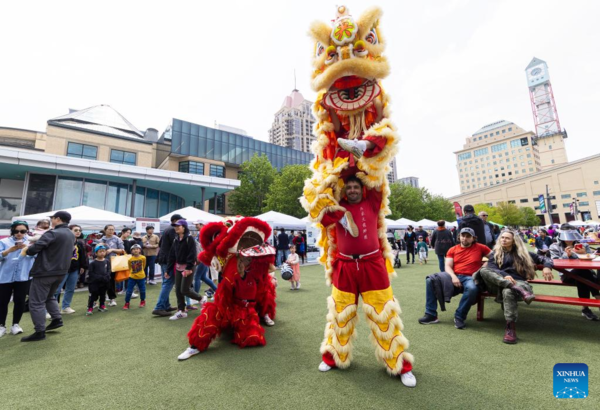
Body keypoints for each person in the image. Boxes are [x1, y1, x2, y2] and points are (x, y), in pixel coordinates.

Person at [316, 176, 415, 387]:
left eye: (355, 187)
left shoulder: (373, 201)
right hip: (344, 266)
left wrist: (354, 151)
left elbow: (374, 172)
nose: (352, 190)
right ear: (344, 190)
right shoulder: (337, 206)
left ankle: (399, 366)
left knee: (384, 316)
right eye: (348, 187)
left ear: (363, 189)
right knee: (339, 316)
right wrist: (338, 212)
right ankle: (333, 357)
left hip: (373, 264)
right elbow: (320, 217)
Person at [475, 229, 554, 344]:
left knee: (508, 292)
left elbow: (546, 258)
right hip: (499, 283)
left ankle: (510, 328)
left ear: (514, 241)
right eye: (502, 237)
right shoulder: (495, 253)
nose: (504, 240)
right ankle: (514, 288)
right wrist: (505, 275)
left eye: (507, 238)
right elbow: (492, 269)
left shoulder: (523, 253)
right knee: (483, 271)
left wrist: (547, 267)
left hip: (519, 282)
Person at [419, 228, 491, 329]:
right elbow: (447, 266)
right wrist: (453, 277)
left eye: (468, 236)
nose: (465, 238)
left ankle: (459, 317)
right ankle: (431, 315)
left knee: (472, 288)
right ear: (459, 237)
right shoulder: (453, 249)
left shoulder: (481, 247)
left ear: (473, 238)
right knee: (430, 279)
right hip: (453, 275)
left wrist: (484, 267)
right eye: (463, 236)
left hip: (471, 277)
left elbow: (495, 257)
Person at [21, 211, 76, 342]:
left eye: (52, 218)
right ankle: (56, 319)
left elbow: (34, 249)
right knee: (49, 297)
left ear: (58, 219)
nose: (51, 221)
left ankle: (39, 332)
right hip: (61, 272)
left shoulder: (53, 233)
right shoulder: (70, 234)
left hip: (45, 271)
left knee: (36, 302)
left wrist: (25, 249)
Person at [549, 225, 600, 321]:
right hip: (566, 275)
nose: (569, 238)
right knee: (583, 273)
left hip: (584, 274)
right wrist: (566, 255)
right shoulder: (554, 246)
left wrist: (583, 254)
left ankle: (585, 309)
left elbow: (592, 259)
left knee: (582, 276)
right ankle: (597, 297)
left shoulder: (583, 245)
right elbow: (555, 262)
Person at [0, 221, 35, 337]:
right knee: (2, 302)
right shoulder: (4, 242)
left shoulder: (31, 242)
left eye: (22, 231)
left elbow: (37, 256)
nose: (19, 234)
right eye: (16, 231)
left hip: (23, 276)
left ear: (27, 231)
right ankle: (1, 326)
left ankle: (15, 324)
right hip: (5, 277)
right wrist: (9, 250)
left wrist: (27, 249)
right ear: (12, 231)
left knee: (19, 301)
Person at [168, 220, 202, 321]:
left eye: (178, 226)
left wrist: (188, 268)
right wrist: (168, 269)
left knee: (184, 289)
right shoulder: (176, 239)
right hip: (179, 267)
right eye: (175, 226)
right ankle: (181, 311)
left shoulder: (189, 238)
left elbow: (192, 254)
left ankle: (201, 298)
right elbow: (172, 255)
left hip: (189, 267)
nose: (176, 228)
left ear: (184, 227)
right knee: (178, 290)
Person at [53, 225, 88, 314]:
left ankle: (66, 307)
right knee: (56, 289)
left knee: (70, 289)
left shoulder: (79, 243)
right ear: (69, 231)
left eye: (79, 230)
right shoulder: (63, 242)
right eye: (75, 230)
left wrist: (82, 266)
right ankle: (50, 309)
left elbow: (82, 256)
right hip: (62, 268)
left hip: (74, 268)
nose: (78, 232)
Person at [152, 214, 183, 317]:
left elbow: (160, 244)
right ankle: (159, 307)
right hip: (168, 260)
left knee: (166, 282)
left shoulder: (167, 229)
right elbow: (176, 246)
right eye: (180, 220)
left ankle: (166, 305)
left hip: (163, 258)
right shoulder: (173, 230)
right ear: (174, 221)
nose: (181, 223)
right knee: (168, 282)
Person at [99, 225, 125, 307]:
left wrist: (112, 250)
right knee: (103, 280)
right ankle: (102, 298)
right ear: (105, 230)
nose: (111, 231)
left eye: (113, 229)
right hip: (102, 262)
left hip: (114, 262)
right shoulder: (101, 239)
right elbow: (96, 251)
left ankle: (112, 298)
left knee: (111, 281)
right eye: (109, 229)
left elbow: (122, 250)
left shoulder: (117, 239)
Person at [86, 245, 111, 315]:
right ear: (96, 253)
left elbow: (109, 270)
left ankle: (102, 305)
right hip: (94, 283)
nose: (102, 253)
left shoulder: (107, 261)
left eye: (103, 251)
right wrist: (100, 277)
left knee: (103, 294)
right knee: (93, 295)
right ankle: (90, 307)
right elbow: (91, 273)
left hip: (104, 282)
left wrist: (107, 276)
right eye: (100, 252)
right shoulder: (93, 263)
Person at [123, 244, 147, 310]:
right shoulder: (130, 259)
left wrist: (140, 272)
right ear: (131, 251)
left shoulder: (143, 258)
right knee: (129, 291)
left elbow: (144, 266)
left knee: (142, 290)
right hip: (132, 277)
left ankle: (142, 301)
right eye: (133, 249)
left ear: (140, 250)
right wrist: (133, 273)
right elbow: (129, 267)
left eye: (137, 249)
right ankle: (127, 303)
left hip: (141, 277)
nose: (135, 250)